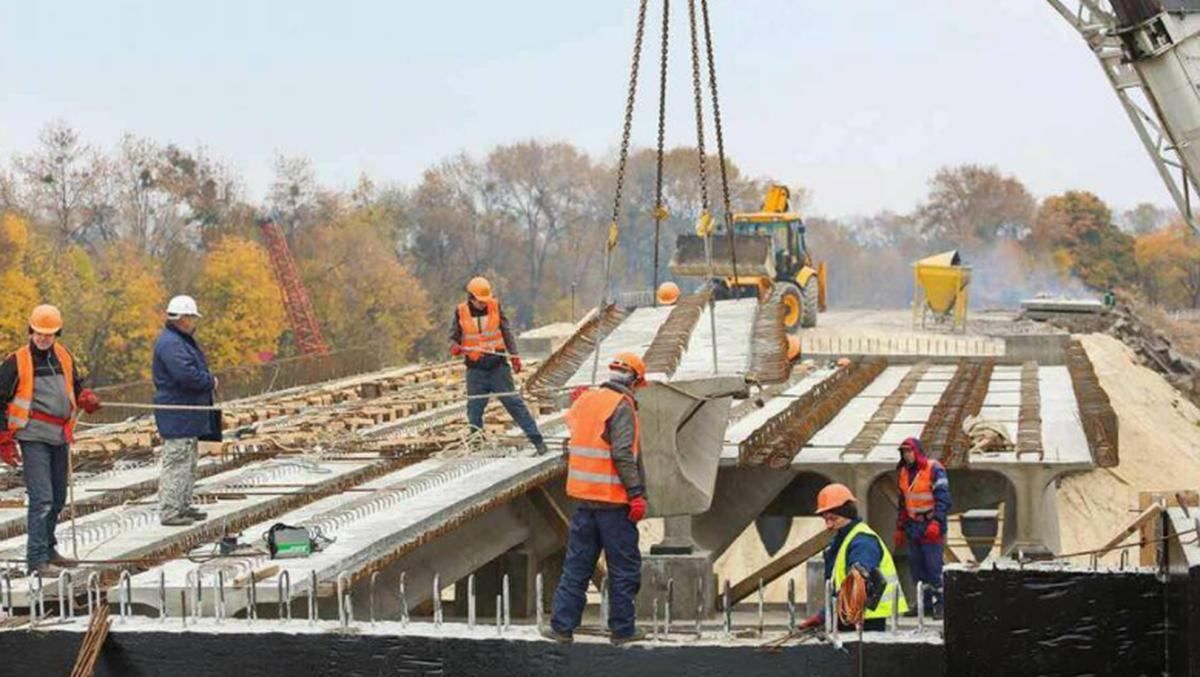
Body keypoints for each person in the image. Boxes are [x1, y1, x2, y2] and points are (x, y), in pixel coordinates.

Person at [544, 352, 648, 646]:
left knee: (577, 566)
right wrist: (636, 494)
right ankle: (623, 630)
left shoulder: (587, 400)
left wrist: (578, 400)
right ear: (635, 380)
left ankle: (562, 628)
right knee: (623, 569)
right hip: (614, 504)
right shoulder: (622, 405)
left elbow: (575, 428)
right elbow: (623, 454)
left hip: (584, 502)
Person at [0, 305, 101, 575]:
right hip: (33, 435)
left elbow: (75, 385)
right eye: (39, 333)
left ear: (57, 333)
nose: (44, 338)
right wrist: (4, 439)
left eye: (50, 334)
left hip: (60, 434)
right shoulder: (16, 361)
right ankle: (37, 559)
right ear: (31, 331)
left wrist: (85, 398)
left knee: (57, 499)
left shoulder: (64, 356)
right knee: (42, 498)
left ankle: (49, 548)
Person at [448, 276, 547, 454]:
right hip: (475, 370)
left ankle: (538, 441)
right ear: (471, 298)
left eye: (485, 301)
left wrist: (514, 355)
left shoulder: (495, 306)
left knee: (514, 403)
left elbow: (507, 332)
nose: (483, 304)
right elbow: (453, 337)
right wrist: (455, 346)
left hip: (497, 368)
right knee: (474, 409)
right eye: (480, 301)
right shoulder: (460, 311)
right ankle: (477, 444)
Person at [800, 483, 906, 632]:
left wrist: (828, 616)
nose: (829, 525)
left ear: (847, 514)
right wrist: (824, 616)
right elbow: (840, 586)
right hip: (851, 616)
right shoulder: (844, 540)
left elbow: (858, 582)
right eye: (826, 519)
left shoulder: (862, 541)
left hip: (866, 620)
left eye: (833, 518)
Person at [152, 295, 220, 527]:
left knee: (188, 461)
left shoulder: (179, 340)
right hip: (177, 413)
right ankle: (171, 511)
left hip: (187, 414)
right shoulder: (172, 344)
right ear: (183, 318)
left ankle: (183, 505)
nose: (194, 322)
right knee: (177, 461)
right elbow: (186, 376)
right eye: (192, 317)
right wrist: (209, 381)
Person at [894, 437, 951, 618]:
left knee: (934, 567)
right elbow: (903, 502)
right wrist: (900, 527)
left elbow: (944, 499)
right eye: (903, 452)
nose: (906, 455)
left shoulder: (934, 469)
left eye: (909, 451)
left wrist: (936, 522)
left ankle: (941, 604)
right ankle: (924, 604)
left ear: (916, 451)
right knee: (917, 567)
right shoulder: (904, 472)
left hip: (930, 523)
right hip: (913, 526)